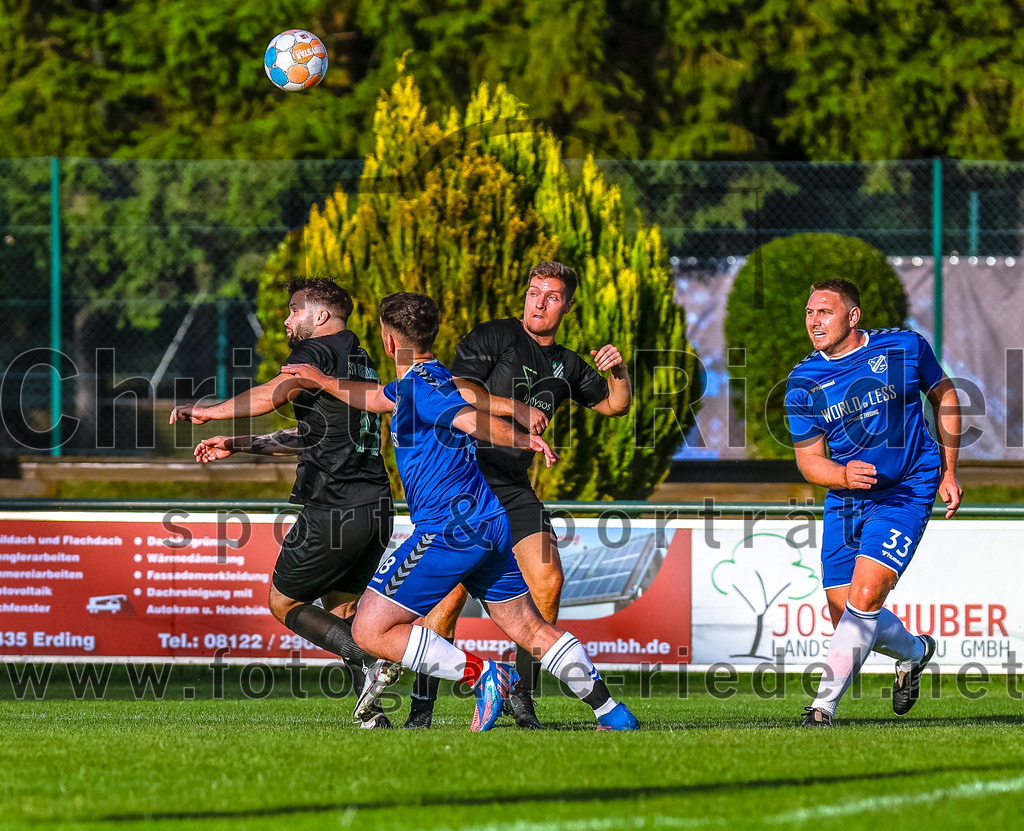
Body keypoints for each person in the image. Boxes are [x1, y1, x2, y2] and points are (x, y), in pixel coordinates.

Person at [282, 291, 640, 732]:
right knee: (528, 628)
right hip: (487, 525)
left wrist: (521, 437)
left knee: (369, 631)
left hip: (449, 531)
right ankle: (613, 713)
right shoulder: (427, 379)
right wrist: (321, 379)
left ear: (388, 341)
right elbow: (375, 398)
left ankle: (483, 676)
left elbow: (470, 420)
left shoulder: (426, 389)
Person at [405, 260, 633, 730]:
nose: (539, 302)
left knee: (548, 583)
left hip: (513, 488)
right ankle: (420, 712)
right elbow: (459, 387)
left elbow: (615, 405)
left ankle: (520, 696)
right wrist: (516, 409)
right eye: (534, 292)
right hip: (468, 484)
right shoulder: (497, 336)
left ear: (567, 306)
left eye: (552, 297)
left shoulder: (566, 363)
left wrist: (619, 372)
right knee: (446, 603)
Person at [168, 276, 398, 728]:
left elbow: (273, 393)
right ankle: (373, 718)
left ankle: (373, 659)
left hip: (333, 506)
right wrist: (241, 443)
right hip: (376, 508)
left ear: (321, 316)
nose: (288, 318)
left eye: (295, 310)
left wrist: (211, 410)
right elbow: (313, 436)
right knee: (342, 610)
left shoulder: (312, 355)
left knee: (283, 602)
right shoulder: (358, 358)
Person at [784, 278, 963, 727]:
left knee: (866, 595)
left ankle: (822, 708)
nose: (814, 321)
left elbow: (945, 395)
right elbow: (809, 462)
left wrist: (950, 468)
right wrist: (841, 474)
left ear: (853, 316)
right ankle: (916, 651)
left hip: (906, 487)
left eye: (825, 311)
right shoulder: (803, 381)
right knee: (845, 613)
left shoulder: (904, 346)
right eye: (809, 313)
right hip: (847, 497)